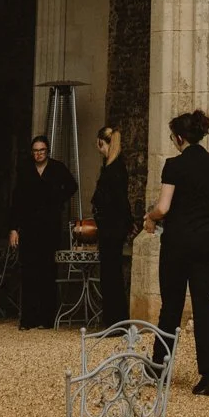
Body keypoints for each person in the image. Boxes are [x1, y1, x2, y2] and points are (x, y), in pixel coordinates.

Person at [145, 107, 209, 395]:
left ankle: (160, 367)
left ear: (180, 138)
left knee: (171, 305)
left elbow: (163, 207)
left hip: (177, 242)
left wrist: (149, 217)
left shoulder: (174, 165)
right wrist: (203, 207)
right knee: (204, 305)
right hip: (206, 240)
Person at [9, 133, 76, 329]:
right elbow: (17, 200)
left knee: (47, 272)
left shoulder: (57, 168)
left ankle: (46, 319)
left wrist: (57, 201)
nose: (39, 154)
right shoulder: (25, 169)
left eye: (42, 150)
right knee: (29, 272)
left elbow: (72, 186)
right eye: (35, 151)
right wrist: (13, 228)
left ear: (48, 151)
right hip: (29, 227)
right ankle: (28, 319)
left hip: (49, 227)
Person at [82, 125, 133, 328]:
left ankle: (115, 320)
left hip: (111, 228)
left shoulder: (113, 169)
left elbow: (119, 201)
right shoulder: (114, 167)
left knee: (110, 275)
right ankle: (115, 319)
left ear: (101, 142)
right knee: (112, 274)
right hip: (113, 227)